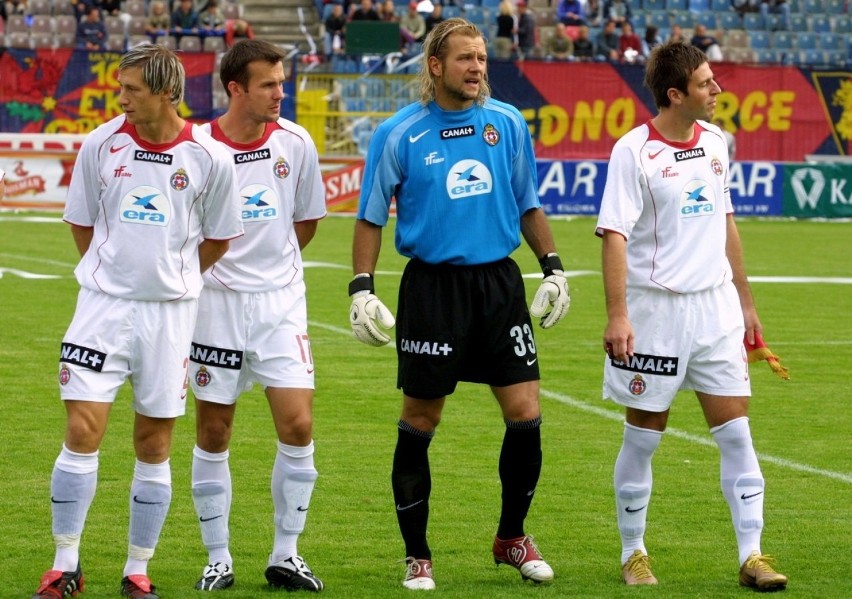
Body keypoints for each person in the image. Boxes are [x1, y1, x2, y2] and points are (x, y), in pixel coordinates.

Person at [349, 17, 570, 591]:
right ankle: (417, 555)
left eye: (481, 58)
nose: (476, 68)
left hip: (500, 286)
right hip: (432, 289)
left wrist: (553, 269)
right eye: (465, 58)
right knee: (422, 418)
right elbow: (370, 216)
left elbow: (528, 203)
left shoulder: (506, 124)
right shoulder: (399, 134)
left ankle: (512, 538)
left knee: (525, 411)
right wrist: (361, 287)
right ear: (435, 66)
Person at [31, 44, 242, 599]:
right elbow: (83, 224)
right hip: (101, 309)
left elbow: (220, 236)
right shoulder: (102, 143)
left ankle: (137, 569)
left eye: (132, 89)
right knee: (82, 430)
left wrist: (171, 279)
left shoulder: (208, 156)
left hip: (170, 317)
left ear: (168, 92)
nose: (120, 98)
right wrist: (116, 272)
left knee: (154, 441)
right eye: (119, 87)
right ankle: (65, 564)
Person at [596, 41, 788, 591]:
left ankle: (751, 555)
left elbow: (726, 222)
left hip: (716, 311)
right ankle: (634, 553)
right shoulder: (632, 152)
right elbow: (614, 236)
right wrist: (618, 315)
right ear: (675, 94)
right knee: (645, 436)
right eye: (706, 84)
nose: (717, 91)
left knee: (737, 432)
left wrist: (746, 302)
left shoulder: (715, 143)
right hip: (654, 314)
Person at [188, 39, 327, 593]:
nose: (280, 93)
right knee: (214, 430)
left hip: (280, 305)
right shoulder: (198, 146)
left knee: (297, 425)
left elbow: (306, 222)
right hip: (214, 304)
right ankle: (217, 557)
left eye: (282, 81)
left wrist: (270, 269)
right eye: (268, 84)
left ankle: (286, 555)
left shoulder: (296, 142)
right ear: (235, 89)